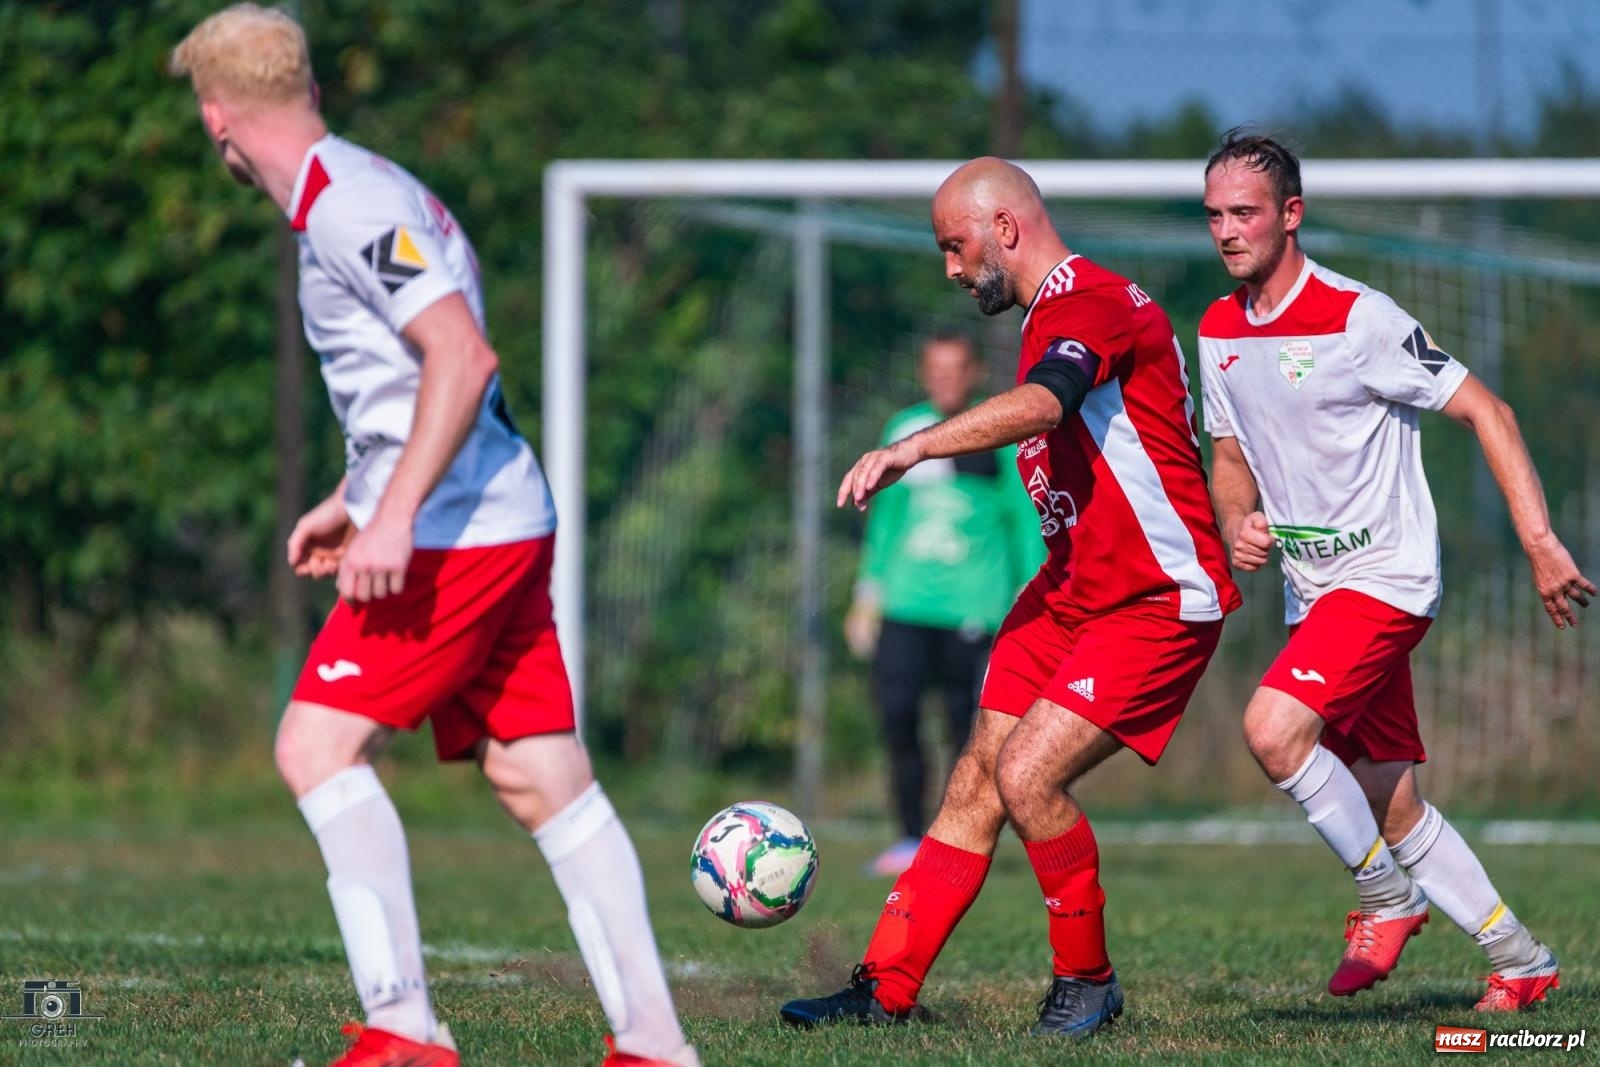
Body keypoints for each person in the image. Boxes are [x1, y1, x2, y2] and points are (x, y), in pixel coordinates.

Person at [169, 7, 698, 1066]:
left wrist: (397, 514)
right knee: (541, 775)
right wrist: (358, 491)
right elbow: (413, 381)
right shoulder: (359, 185)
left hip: (458, 530)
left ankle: (403, 1028)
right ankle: (655, 1042)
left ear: (217, 117)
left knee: (312, 745)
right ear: (307, 90)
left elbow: (460, 356)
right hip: (496, 511)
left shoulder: (347, 205)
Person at [780, 157, 1241, 1038]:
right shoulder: (1043, 318)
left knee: (1029, 775)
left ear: (1005, 229)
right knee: (973, 782)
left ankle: (1088, 981)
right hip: (1068, 596)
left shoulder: (1094, 302)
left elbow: (1042, 407)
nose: (951, 269)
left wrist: (915, 447)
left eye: (955, 247)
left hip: (1155, 601)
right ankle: (884, 987)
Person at [1197, 130, 1595, 1012]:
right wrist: (1235, 519)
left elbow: (1490, 409)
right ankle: (1520, 957)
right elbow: (1228, 451)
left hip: (1386, 579)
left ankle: (1386, 898)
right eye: (1215, 215)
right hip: (1315, 594)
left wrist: (1539, 542)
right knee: (1389, 797)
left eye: (1246, 214)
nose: (1228, 231)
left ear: (1291, 215)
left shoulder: (1357, 318)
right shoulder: (1219, 329)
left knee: (1271, 729)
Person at [846, 331, 1045, 877]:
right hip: (905, 607)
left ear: (974, 372)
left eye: (956, 368)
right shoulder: (903, 431)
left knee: (968, 730)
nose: (946, 378)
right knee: (898, 719)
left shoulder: (996, 437)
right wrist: (867, 595)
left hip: (974, 610)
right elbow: (884, 523)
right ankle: (909, 837)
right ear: (924, 372)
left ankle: (958, 840)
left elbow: (1025, 522)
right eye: (937, 368)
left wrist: (1032, 594)